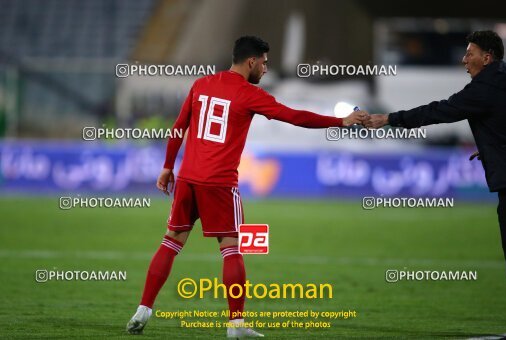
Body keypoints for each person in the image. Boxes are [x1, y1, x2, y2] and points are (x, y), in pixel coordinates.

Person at [126, 36, 367, 337]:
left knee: (172, 241)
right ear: (251, 61)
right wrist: (340, 121)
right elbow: (294, 117)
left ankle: (143, 309)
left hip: (188, 178)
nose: (266, 68)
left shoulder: (201, 84)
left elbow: (178, 126)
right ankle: (236, 325)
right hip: (219, 183)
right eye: (264, 62)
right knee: (231, 249)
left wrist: (167, 167)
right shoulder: (249, 94)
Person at [364, 30, 506, 278]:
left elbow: (438, 111)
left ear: (486, 58)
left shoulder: (483, 88)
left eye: (469, 54)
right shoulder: (505, 76)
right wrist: (492, 147)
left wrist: (389, 118)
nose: (464, 59)